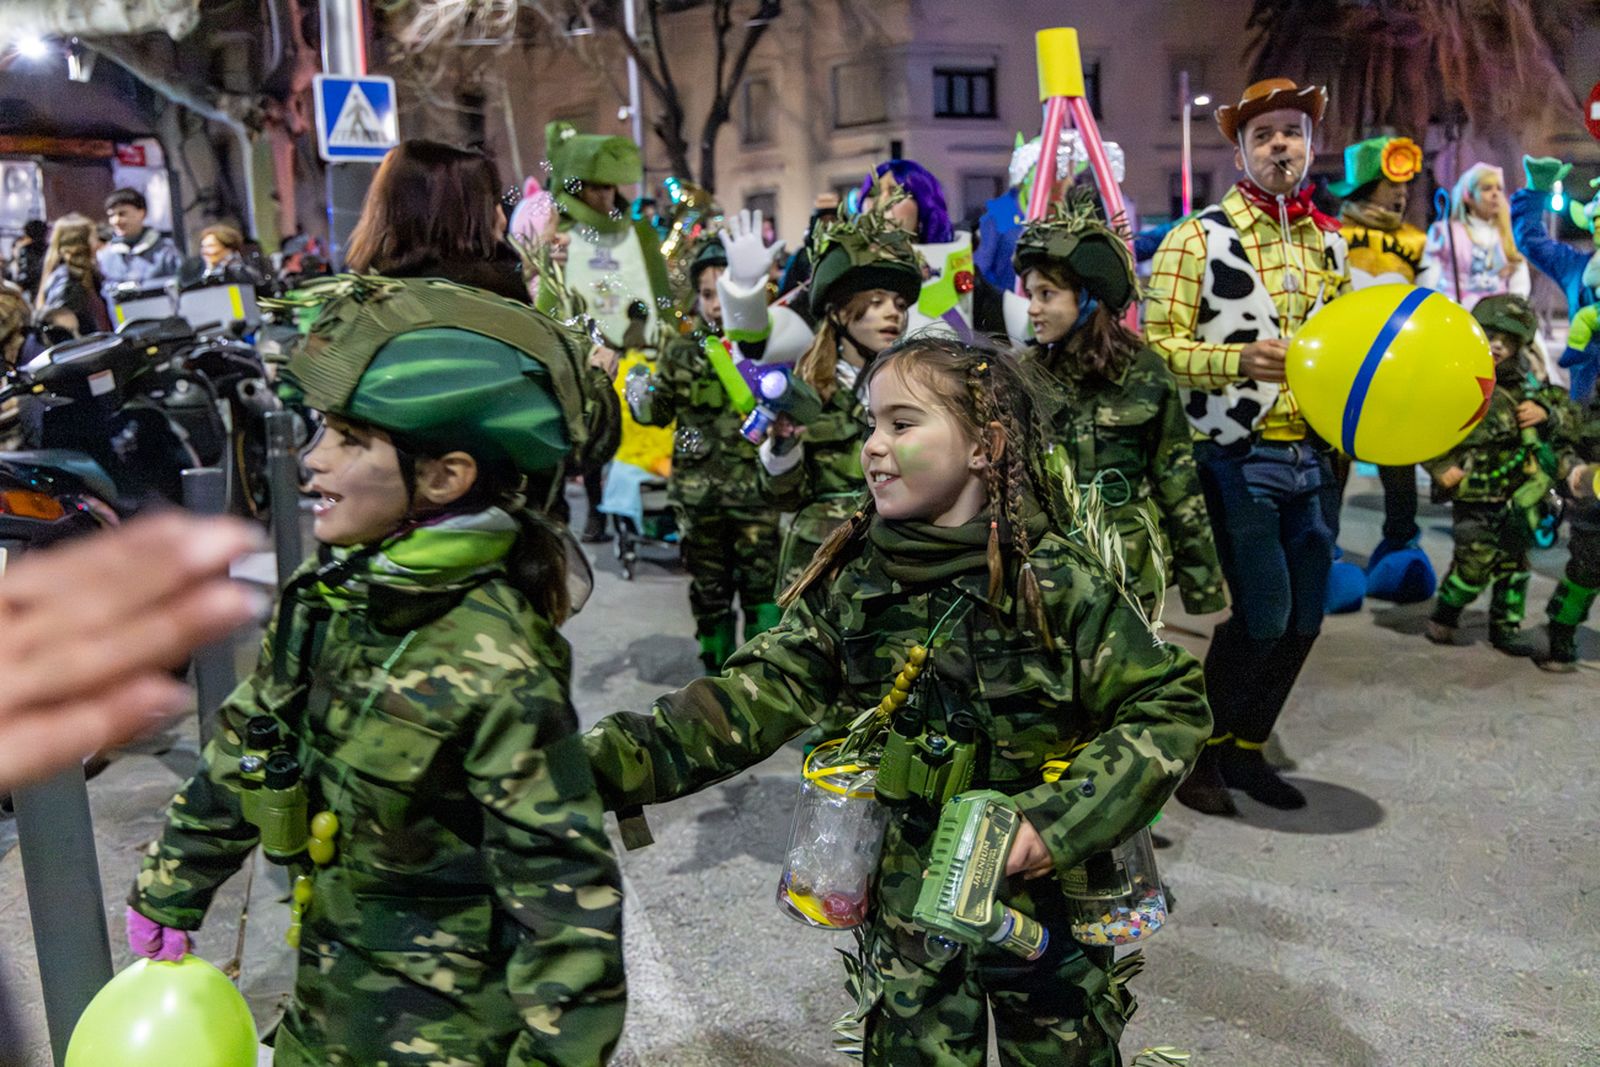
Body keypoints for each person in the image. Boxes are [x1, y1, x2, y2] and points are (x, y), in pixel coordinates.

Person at [584, 336, 1208, 1065]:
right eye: (870, 424)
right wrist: (584, 767)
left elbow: (1170, 707)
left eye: (902, 424)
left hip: (1043, 913)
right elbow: (747, 699)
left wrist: (1052, 821)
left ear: (985, 445)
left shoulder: (1055, 582)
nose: (873, 447)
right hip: (914, 909)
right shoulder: (858, 578)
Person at [127, 280, 627, 1066]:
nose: (314, 460)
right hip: (327, 1014)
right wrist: (173, 877)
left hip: (452, 1040)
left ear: (444, 476)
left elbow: (566, 908)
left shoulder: (499, 664)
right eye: (325, 429)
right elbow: (253, 732)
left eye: (351, 439)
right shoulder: (331, 595)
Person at [1146, 78, 1350, 815]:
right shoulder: (1197, 237)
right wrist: (1236, 360)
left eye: (1291, 132)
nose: (1280, 146)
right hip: (1237, 452)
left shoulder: (1330, 242)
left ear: (1310, 144)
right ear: (1240, 150)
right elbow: (1157, 346)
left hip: (1314, 456)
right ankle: (1195, 755)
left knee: (1305, 620)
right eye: (1263, 136)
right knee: (1261, 613)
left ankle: (1247, 748)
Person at [1013, 197, 1223, 619]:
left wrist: (1204, 586)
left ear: (1089, 297)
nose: (1033, 308)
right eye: (1031, 294)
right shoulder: (1023, 375)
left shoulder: (1144, 374)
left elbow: (1177, 482)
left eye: (1047, 294)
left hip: (1129, 575)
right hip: (1043, 572)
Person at [724, 209, 921, 593]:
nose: (892, 314)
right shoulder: (803, 390)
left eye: (899, 303)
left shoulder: (913, 390)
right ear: (839, 311)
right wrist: (783, 445)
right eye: (876, 300)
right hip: (818, 571)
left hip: (896, 564)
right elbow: (781, 496)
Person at [627, 233, 783, 671]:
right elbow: (657, 414)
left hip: (755, 495)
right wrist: (638, 393)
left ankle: (760, 676)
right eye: (707, 294)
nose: (716, 304)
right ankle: (714, 674)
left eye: (725, 291)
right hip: (699, 498)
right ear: (696, 298)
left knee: (762, 589)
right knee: (709, 590)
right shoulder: (680, 351)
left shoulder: (765, 346)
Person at [1422, 294, 1579, 656]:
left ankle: (1505, 626)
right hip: (1474, 493)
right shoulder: (1454, 379)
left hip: (1519, 497)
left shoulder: (1527, 384)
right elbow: (1421, 427)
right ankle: (1447, 611)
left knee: (1514, 564)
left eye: (1509, 341)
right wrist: (1440, 466)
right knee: (1473, 566)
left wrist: (1545, 412)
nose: (1498, 346)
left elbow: (1567, 413)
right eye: (1492, 334)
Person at [1327, 135, 1437, 606]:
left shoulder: (1415, 241)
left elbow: (1432, 305)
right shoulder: (1329, 235)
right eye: (1391, 184)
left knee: (1399, 463)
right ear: (1366, 186)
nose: (1401, 194)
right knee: (1333, 467)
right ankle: (1324, 551)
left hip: (1396, 374)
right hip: (1338, 374)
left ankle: (1400, 542)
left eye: (1406, 186)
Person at [344, 140, 528, 302]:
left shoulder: (359, 305)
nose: (503, 219)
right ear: (462, 220)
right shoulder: (499, 302)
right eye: (492, 204)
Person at [860, 159, 1006, 338]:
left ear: (923, 207)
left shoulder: (957, 269)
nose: (882, 202)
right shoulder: (844, 270)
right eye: (873, 193)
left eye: (894, 191)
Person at [1422, 163, 1529, 310]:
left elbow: (1520, 283)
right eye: (1487, 188)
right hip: (1455, 314)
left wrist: (1513, 310)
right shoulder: (1445, 232)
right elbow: (1427, 281)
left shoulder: (1508, 235)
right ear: (1468, 196)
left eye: (1499, 188)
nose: (1495, 194)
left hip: (1498, 317)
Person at [97, 187, 183, 303]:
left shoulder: (165, 251)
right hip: (123, 319)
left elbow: (183, 283)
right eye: (111, 215)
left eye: (122, 214)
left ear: (141, 213)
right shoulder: (107, 256)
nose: (116, 221)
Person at [35, 212, 111, 336]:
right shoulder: (67, 282)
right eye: (93, 237)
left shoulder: (85, 277)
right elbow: (62, 331)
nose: (97, 243)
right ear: (80, 244)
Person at [178, 222, 264, 288]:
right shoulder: (198, 272)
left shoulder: (242, 273)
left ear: (228, 248)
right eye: (203, 247)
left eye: (210, 246)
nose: (205, 251)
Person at [7, 219, 47, 298]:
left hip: (34, 295)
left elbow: (24, 276)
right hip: (48, 293)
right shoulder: (50, 249)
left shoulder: (26, 250)